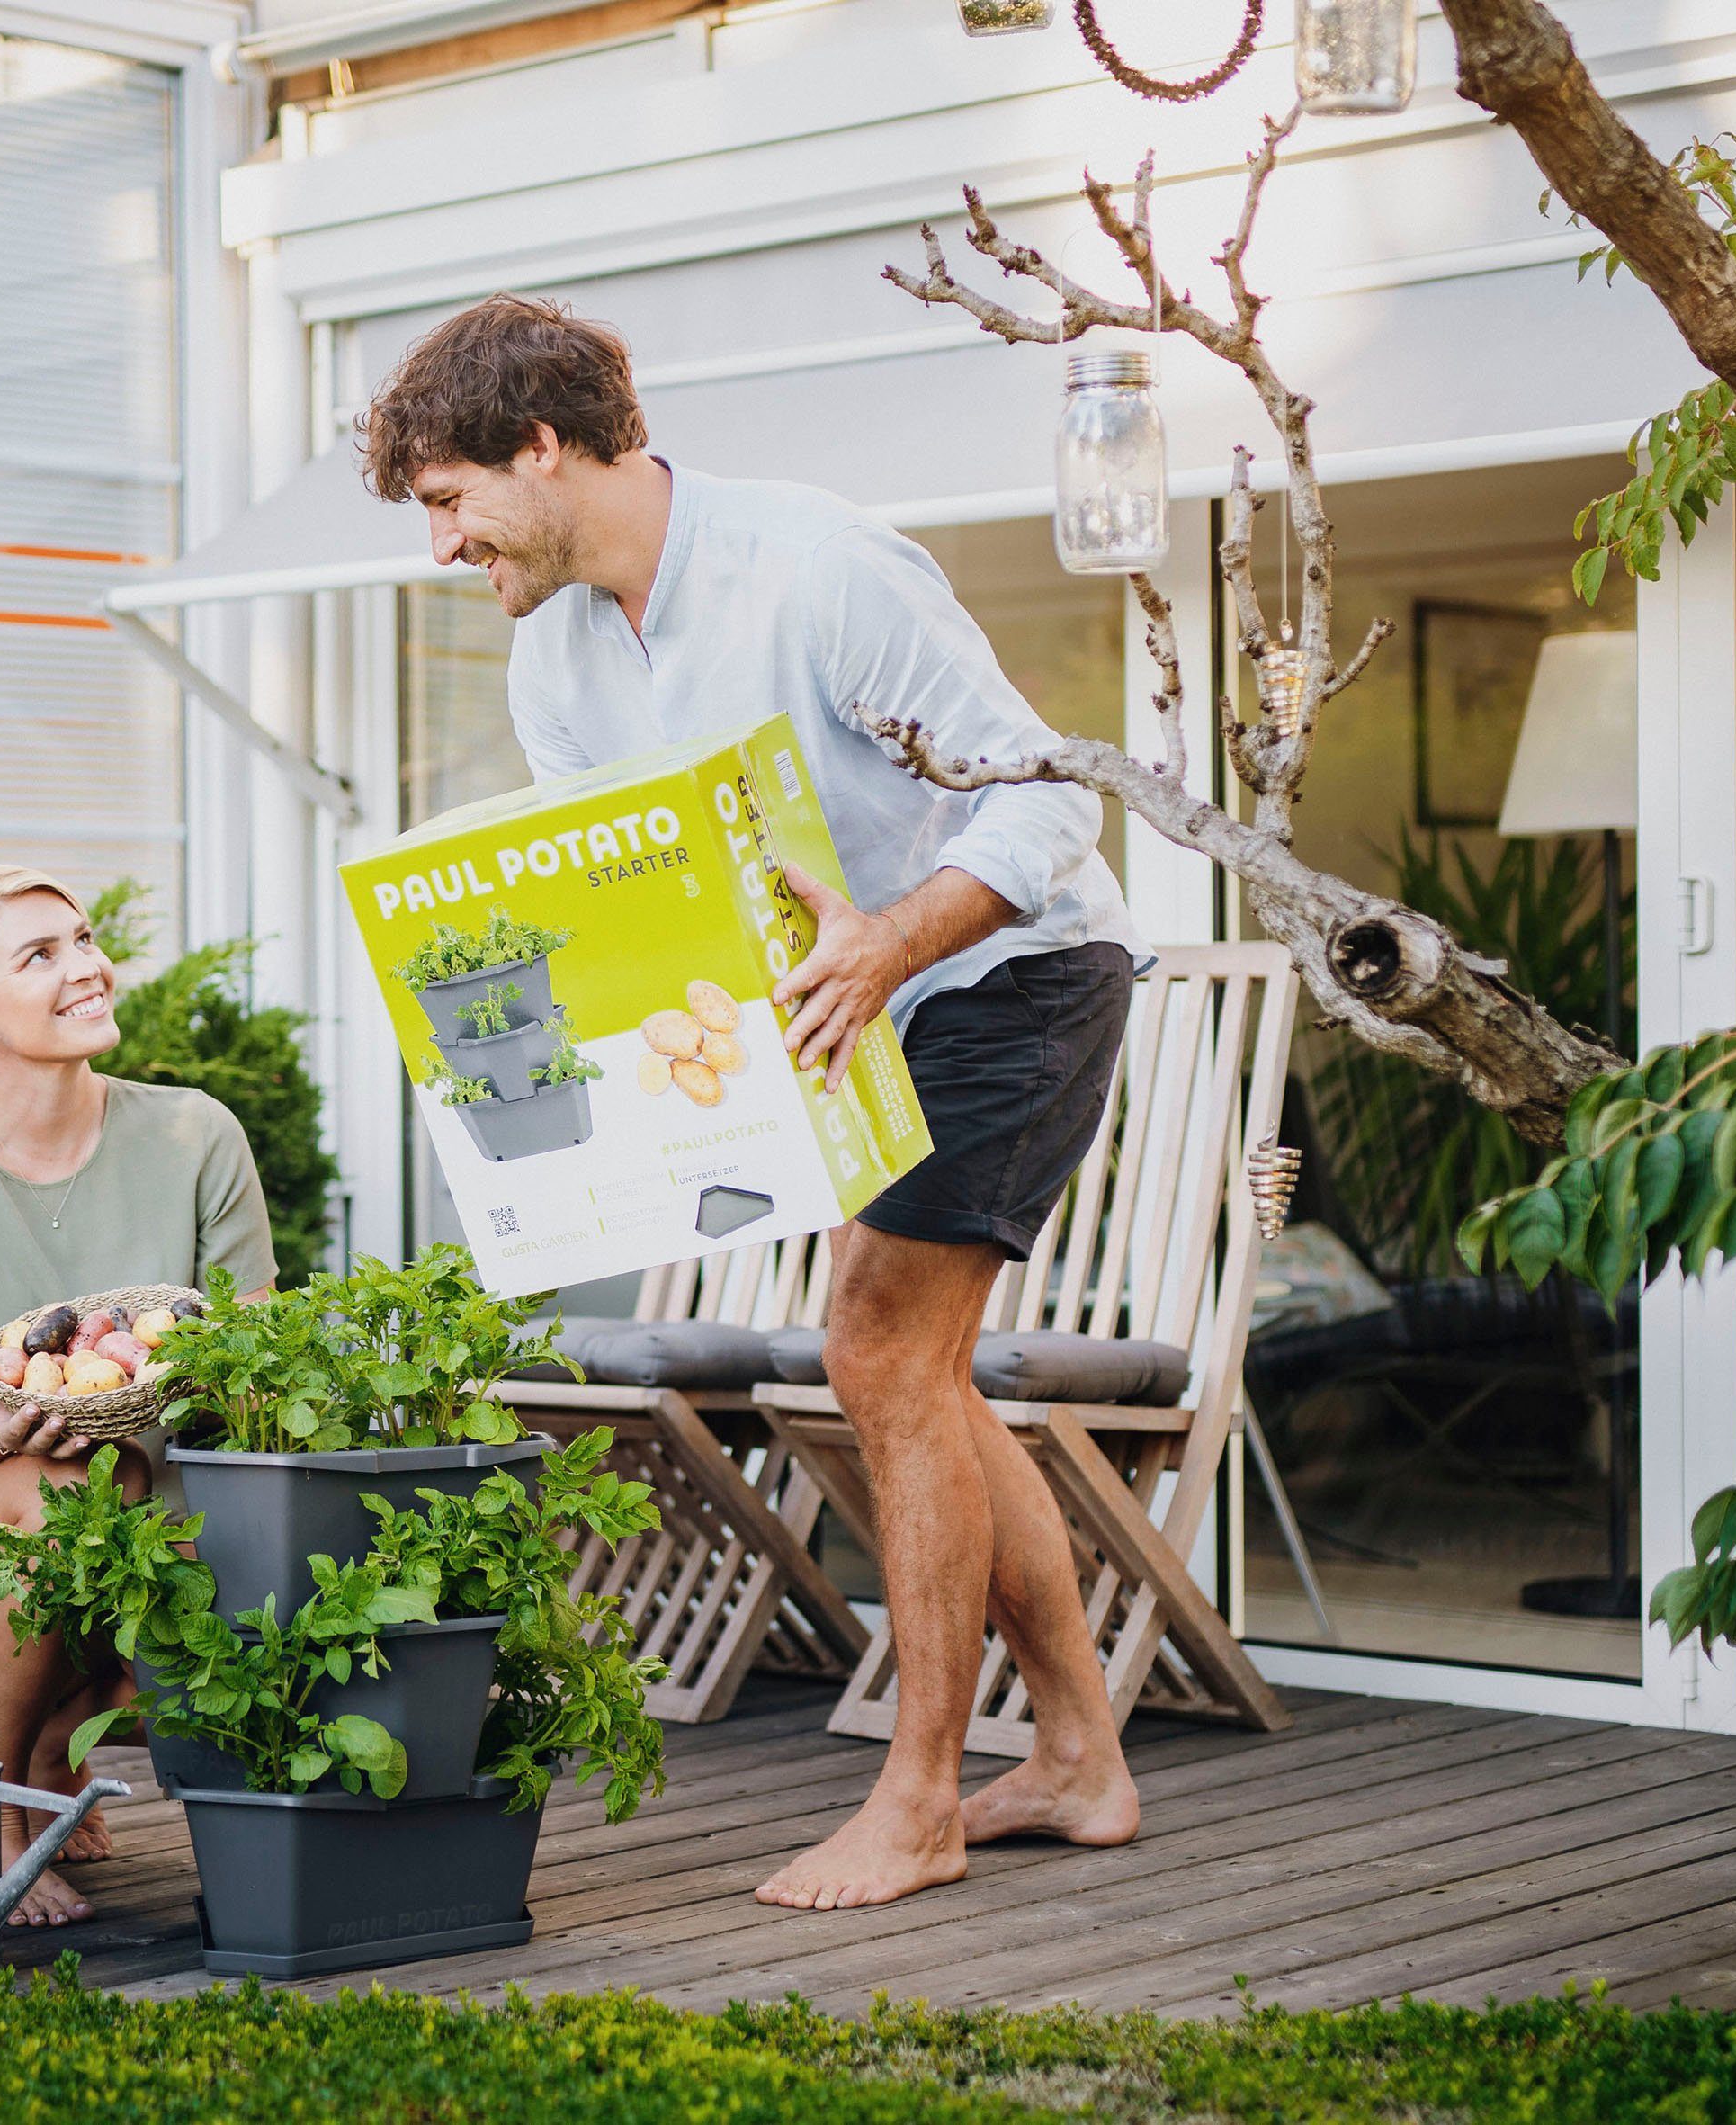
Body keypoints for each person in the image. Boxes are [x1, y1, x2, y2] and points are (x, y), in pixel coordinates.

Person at [360, 295, 1151, 1913]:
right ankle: (1074, 1758)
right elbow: (642, 910)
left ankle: (922, 1795)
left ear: (539, 443)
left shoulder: (821, 565)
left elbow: (1045, 800)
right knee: (916, 1367)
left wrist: (888, 939)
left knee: (875, 1349)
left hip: (1005, 973)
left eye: (446, 499)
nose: (439, 542)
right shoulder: (559, 657)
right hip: (838, 1012)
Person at [0, 864, 276, 1927]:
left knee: (211, 1516)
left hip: (132, 1520)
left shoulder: (197, 1134)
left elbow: (261, 1380)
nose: (88, 968)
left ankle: (55, 1747)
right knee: (57, 1485)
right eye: (41, 955)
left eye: (83, 940)